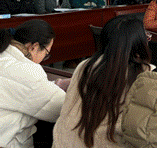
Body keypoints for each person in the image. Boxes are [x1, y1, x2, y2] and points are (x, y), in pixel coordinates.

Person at [53, 15, 151, 147]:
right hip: (110, 142)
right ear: (139, 43)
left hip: (68, 139)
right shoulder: (146, 73)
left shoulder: (86, 65)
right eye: (146, 37)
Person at [0, 19, 66, 148]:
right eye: (46, 53)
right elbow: (62, 108)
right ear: (34, 47)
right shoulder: (27, 70)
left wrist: (54, 85)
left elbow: (23, 89)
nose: (43, 59)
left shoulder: (4, 53)